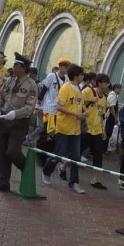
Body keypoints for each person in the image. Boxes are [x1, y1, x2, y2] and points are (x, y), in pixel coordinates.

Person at [0, 54, 38, 192]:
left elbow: (30, 107)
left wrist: (16, 113)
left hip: (19, 122)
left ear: (23, 68)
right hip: (4, 119)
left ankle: (26, 170)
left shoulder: (31, 85)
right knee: (1, 153)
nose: (14, 67)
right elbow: (1, 95)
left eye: (16, 66)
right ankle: (3, 183)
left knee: (12, 152)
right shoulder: (10, 80)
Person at [42, 63, 86, 192]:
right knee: (59, 153)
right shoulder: (66, 88)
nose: (83, 76)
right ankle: (46, 171)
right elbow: (59, 107)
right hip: (64, 128)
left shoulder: (78, 88)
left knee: (76, 157)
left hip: (76, 129)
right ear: (76, 76)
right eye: (82, 74)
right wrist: (76, 114)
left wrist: (84, 112)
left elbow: (81, 103)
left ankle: (74, 182)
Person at [81, 75, 108, 189]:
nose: (107, 85)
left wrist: (103, 129)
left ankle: (95, 180)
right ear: (99, 83)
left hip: (96, 130)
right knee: (77, 150)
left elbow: (101, 115)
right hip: (85, 127)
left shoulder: (104, 98)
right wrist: (90, 99)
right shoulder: (88, 91)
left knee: (98, 154)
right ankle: (63, 166)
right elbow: (78, 102)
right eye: (106, 83)